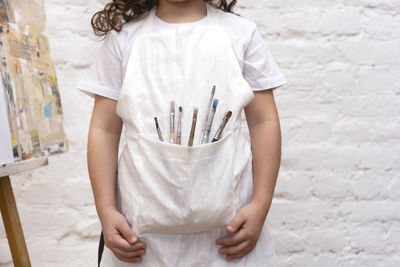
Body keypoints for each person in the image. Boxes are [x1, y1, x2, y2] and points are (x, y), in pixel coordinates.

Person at [77, 0, 287, 266]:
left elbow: (264, 122)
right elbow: (104, 129)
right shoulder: (124, 39)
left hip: (229, 238)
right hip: (141, 241)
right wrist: (106, 210)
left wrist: (261, 203)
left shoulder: (241, 33)